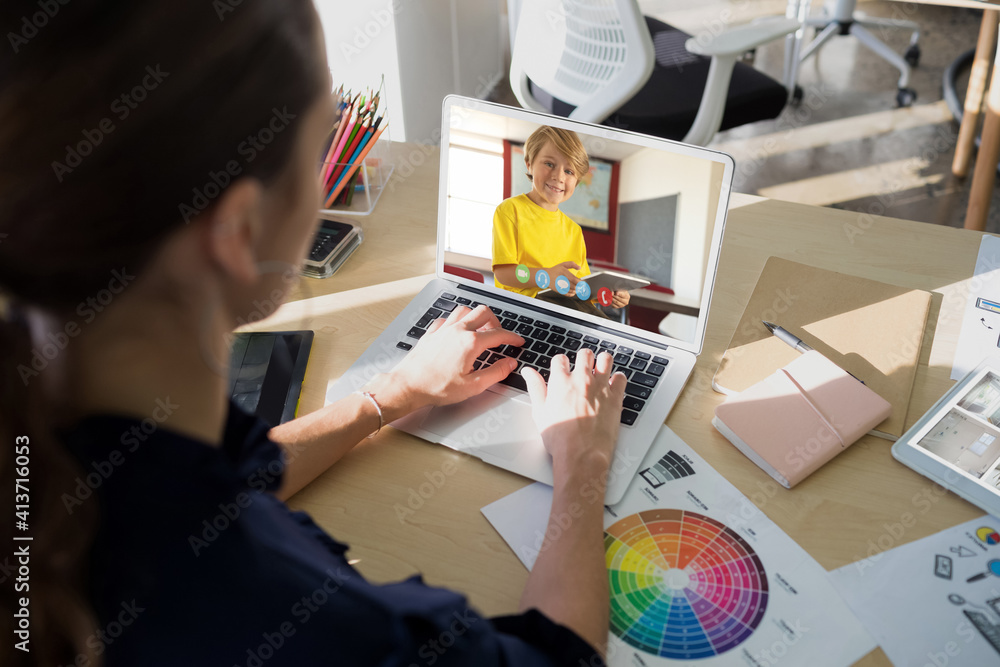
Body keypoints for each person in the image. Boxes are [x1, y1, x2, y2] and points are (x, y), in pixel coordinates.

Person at [0, 2, 627, 666]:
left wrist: (389, 395)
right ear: (238, 231)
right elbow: (560, 658)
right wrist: (581, 461)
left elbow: (204, 488)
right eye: (324, 138)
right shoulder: (324, 630)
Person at [492, 126, 629, 310]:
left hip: (563, 308)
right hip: (520, 307)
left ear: (577, 181)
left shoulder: (574, 231)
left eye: (569, 172)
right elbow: (504, 273)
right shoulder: (510, 210)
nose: (558, 176)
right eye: (549, 164)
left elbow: (581, 287)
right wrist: (547, 277)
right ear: (529, 164)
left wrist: (607, 293)